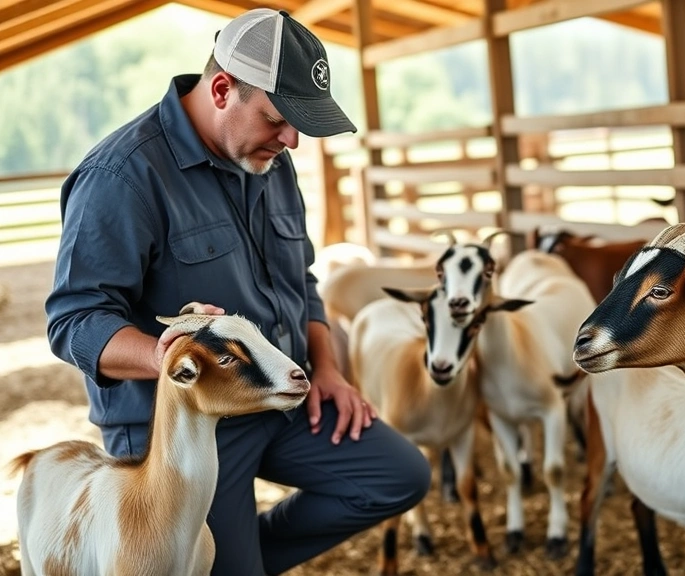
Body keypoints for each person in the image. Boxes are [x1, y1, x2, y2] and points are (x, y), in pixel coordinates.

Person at [45, 8, 431, 575]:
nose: (293, 140)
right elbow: (74, 322)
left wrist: (326, 369)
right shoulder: (122, 176)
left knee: (399, 476)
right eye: (279, 118)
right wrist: (169, 356)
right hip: (179, 427)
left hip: (278, 393)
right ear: (222, 88)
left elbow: (300, 279)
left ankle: (235, 557)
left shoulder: (268, 158)